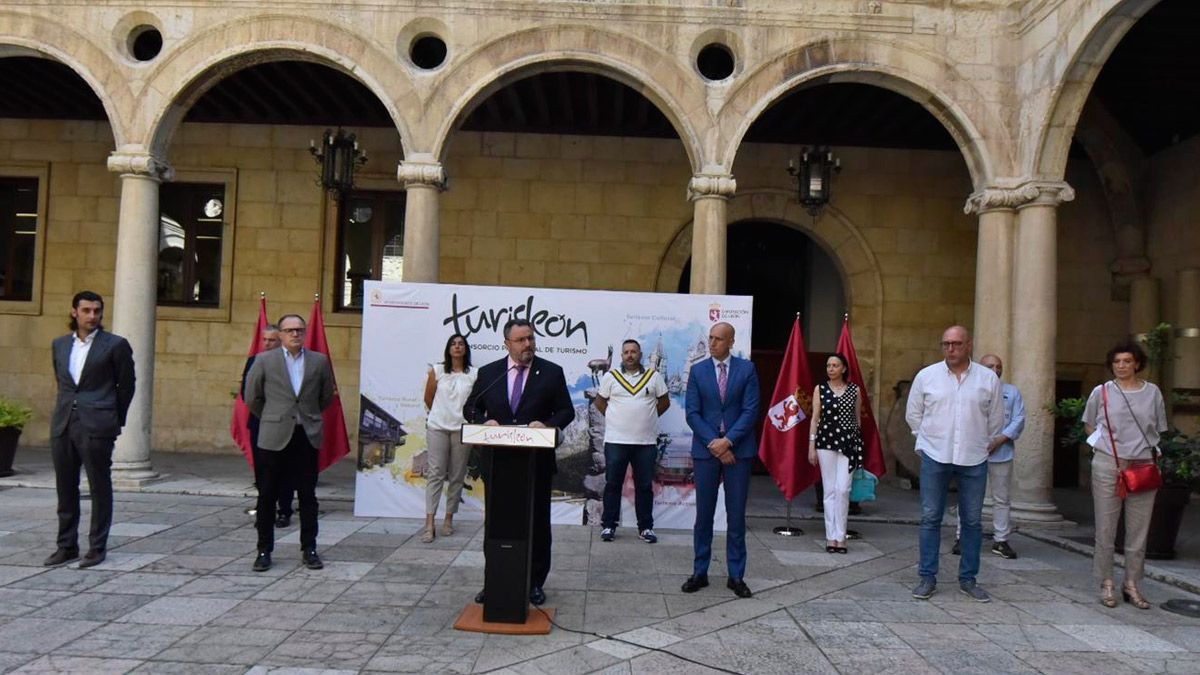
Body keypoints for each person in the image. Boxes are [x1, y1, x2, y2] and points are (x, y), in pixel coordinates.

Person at [464, 319, 575, 606]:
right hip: (498, 464)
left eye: (531, 338)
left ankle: (534, 582)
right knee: (497, 524)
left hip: (535, 463)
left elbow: (566, 410)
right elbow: (471, 407)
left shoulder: (551, 372)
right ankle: (495, 580)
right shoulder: (489, 373)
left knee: (537, 523)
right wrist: (482, 421)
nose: (528, 344)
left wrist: (548, 424)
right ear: (507, 344)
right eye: (521, 340)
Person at [906, 325, 1003, 603]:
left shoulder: (987, 379)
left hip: (973, 457)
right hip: (936, 454)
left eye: (957, 344)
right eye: (946, 344)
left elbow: (995, 418)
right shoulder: (927, 376)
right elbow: (914, 413)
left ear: (969, 345)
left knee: (972, 520)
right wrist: (925, 440)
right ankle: (927, 577)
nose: (951, 349)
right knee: (930, 517)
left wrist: (981, 441)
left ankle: (969, 579)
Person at [44, 291, 135, 568]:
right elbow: (64, 385)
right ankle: (66, 545)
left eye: (97, 311)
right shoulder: (59, 345)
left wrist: (113, 419)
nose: (92, 316)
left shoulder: (115, 345)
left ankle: (97, 546)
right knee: (65, 486)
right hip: (64, 424)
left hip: (98, 424)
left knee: (99, 485)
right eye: (86, 310)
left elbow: (127, 386)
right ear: (74, 312)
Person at [244, 314, 335, 572]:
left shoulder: (318, 361)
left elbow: (326, 396)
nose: (295, 335)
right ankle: (264, 550)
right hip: (274, 435)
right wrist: (273, 417)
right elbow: (252, 397)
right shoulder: (264, 360)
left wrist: (307, 415)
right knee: (268, 494)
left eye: (299, 330)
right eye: (289, 330)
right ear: (281, 334)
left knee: (308, 495)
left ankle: (310, 548)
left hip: (306, 434)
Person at [1082, 341, 1167, 610]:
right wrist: (1102, 446)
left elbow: (1159, 427)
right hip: (1109, 464)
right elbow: (1089, 423)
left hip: (1142, 464)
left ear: (1137, 364)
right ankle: (1106, 581)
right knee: (1106, 528)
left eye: (1127, 361)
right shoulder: (1102, 391)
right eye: (1117, 362)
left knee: (1138, 530)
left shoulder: (1152, 392)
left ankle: (1132, 582)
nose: (1121, 366)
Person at [682, 322, 760, 599]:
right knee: (704, 515)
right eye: (711, 338)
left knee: (736, 516)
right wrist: (715, 444)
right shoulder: (698, 371)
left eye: (718, 339)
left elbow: (751, 411)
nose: (713, 343)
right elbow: (692, 413)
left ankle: (736, 576)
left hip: (739, 452)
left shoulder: (746, 369)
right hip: (706, 453)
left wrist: (729, 442)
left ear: (730, 341)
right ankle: (699, 572)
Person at [595, 339, 670, 544]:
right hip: (616, 441)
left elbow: (664, 402)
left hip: (645, 442)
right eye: (626, 352)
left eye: (633, 351)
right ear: (621, 356)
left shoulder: (654, 377)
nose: (630, 355)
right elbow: (600, 402)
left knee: (644, 486)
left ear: (640, 354)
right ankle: (609, 525)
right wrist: (616, 419)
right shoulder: (611, 377)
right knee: (613, 484)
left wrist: (647, 419)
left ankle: (645, 528)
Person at [952, 354, 1025, 559]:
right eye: (990, 366)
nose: (995, 369)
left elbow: (1018, 419)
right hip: (972, 452)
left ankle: (1001, 540)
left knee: (1001, 498)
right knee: (967, 496)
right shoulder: (967, 389)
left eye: (998, 366)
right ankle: (962, 537)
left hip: (1001, 452)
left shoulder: (1012, 392)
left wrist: (999, 440)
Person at [421, 334, 477, 543]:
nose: (457, 347)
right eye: (453, 344)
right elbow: (428, 398)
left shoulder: (474, 374)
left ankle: (448, 519)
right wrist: (438, 413)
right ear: (448, 348)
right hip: (437, 427)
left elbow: (475, 402)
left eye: (461, 344)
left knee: (456, 475)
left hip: (463, 430)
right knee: (435, 473)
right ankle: (429, 524)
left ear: (465, 349)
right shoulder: (436, 371)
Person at [807, 353, 863, 554]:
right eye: (828, 365)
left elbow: (858, 420)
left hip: (848, 443)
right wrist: (811, 446)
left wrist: (858, 447)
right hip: (825, 442)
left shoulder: (854, 390)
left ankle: (842, 536)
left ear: (844, 368)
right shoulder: (820, 389)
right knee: (829, 490)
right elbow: (815, 419)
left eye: (835, 365)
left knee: (843, 490)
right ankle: (831, 536)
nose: (831, 369)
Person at [241, 324, 295, 526]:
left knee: (286, 469)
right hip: (261, 422)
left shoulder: (291, 362)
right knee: (263, 470)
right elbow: (247, 393)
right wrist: (266, 414)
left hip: (286, 423)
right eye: (264, 340)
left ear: (281, 340)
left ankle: (284, 510)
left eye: (271, 340)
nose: (266, 344)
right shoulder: (254, 361)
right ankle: (265, 510)